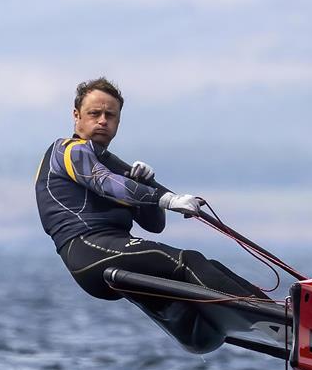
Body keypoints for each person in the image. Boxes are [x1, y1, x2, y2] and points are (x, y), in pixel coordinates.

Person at [35, 77, 265, 303]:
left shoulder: (112, 163)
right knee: (188, 262)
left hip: (113, 253)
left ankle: (277, 313)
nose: (103, 121)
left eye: (111, 115)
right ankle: (281, 322)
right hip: (89, 251)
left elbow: (154, 226)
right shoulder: (67, 150)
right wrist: (166, 198)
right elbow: (103, 183)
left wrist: (144, 185)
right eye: (95, 113)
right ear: (77, 115)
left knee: (209, 267)